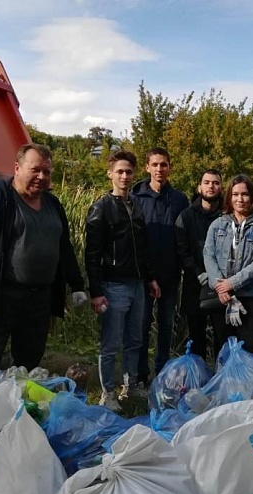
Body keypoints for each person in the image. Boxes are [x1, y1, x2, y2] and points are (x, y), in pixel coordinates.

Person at [0, 143, 86, 392]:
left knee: (27, 366)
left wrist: (77, 285)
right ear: (17, 168)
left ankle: (15, 420)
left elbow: (64, 247)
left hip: (38, 301)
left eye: (47, 172)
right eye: (35, 169)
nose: (41, 177)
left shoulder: (52, 204)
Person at [85, 151, 161, 411]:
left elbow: (143, 247)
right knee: (111, 343)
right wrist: (96, 290)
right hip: (114, 284)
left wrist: (150, 278)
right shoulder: (101, 207)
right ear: (110, 174)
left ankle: (130, 385)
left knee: (135, 340)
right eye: (120, 171)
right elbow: (92, 253)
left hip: (138, 284)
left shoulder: (136, 205)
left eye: (129, 171)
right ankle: (108, 392)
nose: (125, 176)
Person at [130, 147, 189, 384]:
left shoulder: (179, 199)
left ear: (169, 167)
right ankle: (141, 375)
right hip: (143, 275)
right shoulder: (135, 198)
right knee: (142, 325)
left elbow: (184, 236)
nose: (159, 169)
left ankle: (162, 374)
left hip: (170, 274)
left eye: (163, 164)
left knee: (166, 325)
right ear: (147, 167)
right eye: (154, 164)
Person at [203, 174, 253, 356]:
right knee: (224, 347)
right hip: (223, 296)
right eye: (235, 194)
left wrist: (232, 283)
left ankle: (250, 384)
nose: (240, 199)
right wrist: (221, 287)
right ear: (229, 197)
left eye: (244, 194)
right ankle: (225, 384)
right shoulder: (218, 225)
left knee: (250, 347)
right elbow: (208, 255)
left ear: (252, 197)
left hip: (252, 296)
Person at [175, 169, 225, 361]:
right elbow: (182, 250)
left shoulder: (227, 215)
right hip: (195, 283)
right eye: (207, 182)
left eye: (215, 183)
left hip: (222, 283)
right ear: (199, 187)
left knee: (222, 334)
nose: (211, 186)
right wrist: (199, 272)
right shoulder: (186, 216)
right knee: (196, 334)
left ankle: (222, 378)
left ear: (221, 187)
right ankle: (200, 376)